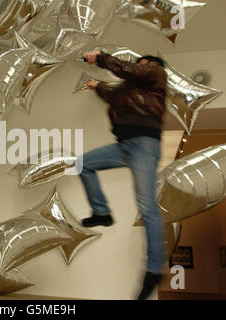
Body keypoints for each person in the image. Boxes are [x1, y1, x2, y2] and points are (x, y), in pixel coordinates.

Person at [80, 50, 168, 300]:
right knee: (83, 164)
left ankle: (153, 270)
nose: (140, 67)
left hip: (144, 144)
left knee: (147, 205)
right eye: (139, 64)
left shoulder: (157, 73)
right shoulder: (129, 88)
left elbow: (133, 70)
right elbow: (113, 95)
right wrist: (97, 87)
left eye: (144, 64)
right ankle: (102, 212)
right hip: (124, 146)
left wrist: (101, 58)